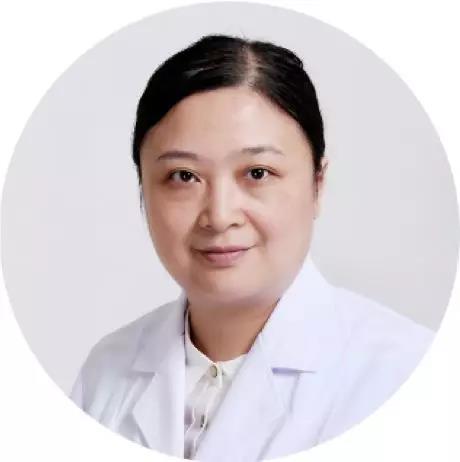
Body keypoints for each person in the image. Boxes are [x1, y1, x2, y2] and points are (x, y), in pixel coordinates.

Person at [70, 34, 434, 461]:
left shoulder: (407, 374)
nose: (220, 215)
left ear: (317, 185)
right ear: (143, 190)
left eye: (257, 172)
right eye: (184, 176)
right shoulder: (106, 372)